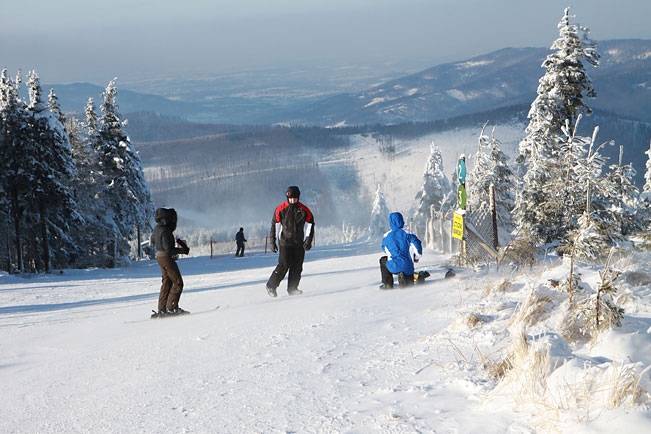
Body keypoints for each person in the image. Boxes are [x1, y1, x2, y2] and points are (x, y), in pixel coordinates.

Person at [265, 186, 315, 297]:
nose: (293, 200)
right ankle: (271, 286)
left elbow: (310, 226)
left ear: (298, 198)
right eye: (291, 198)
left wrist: (308, 240)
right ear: (287, 198)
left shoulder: (304, 210)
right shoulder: (281, 209)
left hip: (299, 243)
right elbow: (275, 226)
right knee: (284, 264)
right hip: (285, 242)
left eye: (295, 198)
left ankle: (293, 288)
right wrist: (273, 243)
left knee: (297, 266)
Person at [150, 208, 190, 317]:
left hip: (159, 257)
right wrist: (183, 250)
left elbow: (153, 242)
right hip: (166, 258)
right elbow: (169, 250)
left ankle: (162, 308)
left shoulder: (157, 229)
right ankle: (172, 308)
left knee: (166, 282)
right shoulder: (165, 230)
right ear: (166, 219)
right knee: (178, 282)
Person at [379, 212, 422, 289]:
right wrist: (417, 258)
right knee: (409, 286)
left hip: (393, 266)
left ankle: (387, 284)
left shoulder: (386, 236)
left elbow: (385, 250)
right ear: (402, 221)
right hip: (407, 266)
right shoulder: (409, 234)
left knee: (383, 260)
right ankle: (405, 278)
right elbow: (418, 248)